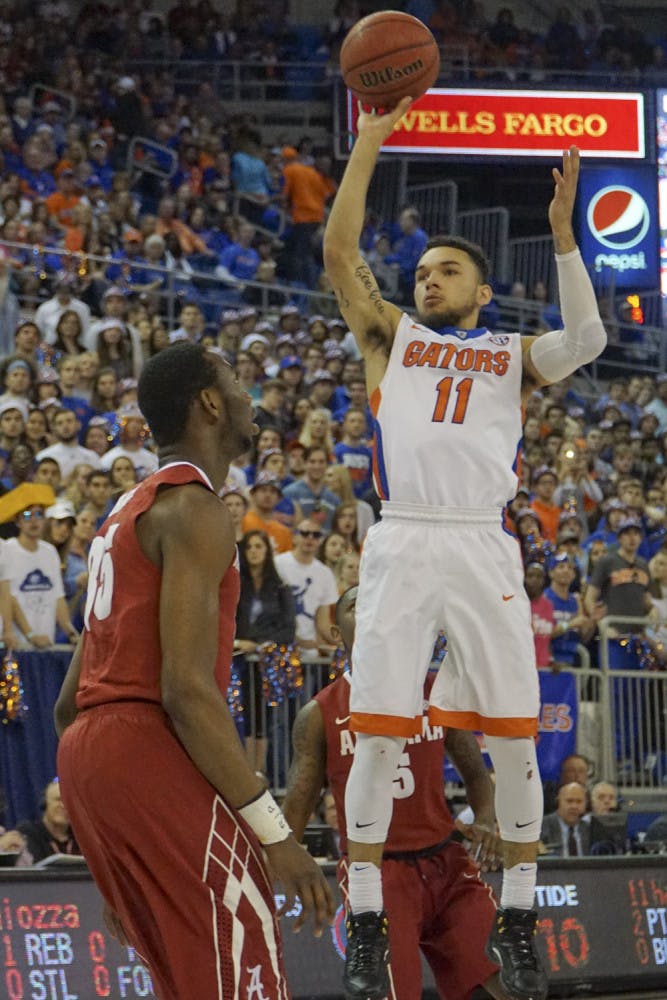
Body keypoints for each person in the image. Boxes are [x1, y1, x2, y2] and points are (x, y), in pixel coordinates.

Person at [323, 92, 607, 1000]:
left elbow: (591, 337)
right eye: (422, 272)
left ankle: (518, 922)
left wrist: (563, 237)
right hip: (403, 539)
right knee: (373, 742)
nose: (427, 280)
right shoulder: (389, 338)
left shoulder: (512, 355)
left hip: (483, 546)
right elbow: (338, 253)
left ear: (482, 292)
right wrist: (369, 138)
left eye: (446, 271)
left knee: (516, 746)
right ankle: (365, 923)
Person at [53, 343, 333, 998]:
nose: (247, 396)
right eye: (236, 381)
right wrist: (276, 832)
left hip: (90, 754)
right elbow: (184, 689)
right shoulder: (195, 509)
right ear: (209, 401)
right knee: (245, 942)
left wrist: (119, 859)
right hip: (145, 741)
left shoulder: (123, 515)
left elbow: (69, 704)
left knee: (189, 976)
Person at [283, 586, 509, 1000]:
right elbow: (296, 806)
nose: (370, 608)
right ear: (337, 634)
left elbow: (477, 776)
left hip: (448, 862)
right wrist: (285, 870)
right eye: (355, 604)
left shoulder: (435, 691)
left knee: (506, 985)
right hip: (380, 874)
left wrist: (487, 822)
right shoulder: (320, 713)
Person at [235, 529, 296, 776]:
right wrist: (240, 642)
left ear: (267, 551)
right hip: (240, 661)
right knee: (246, 719)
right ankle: (246, 775)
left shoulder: (281, 587)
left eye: (259, 546)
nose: (253, 551)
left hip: (269, 663)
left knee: (265, 721)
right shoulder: (237, 585)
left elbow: (288, 629)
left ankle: (259, 774)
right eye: (249, 547)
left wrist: (259, 644)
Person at [17, 779, 80, 863]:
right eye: (58, 800)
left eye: (69, 802)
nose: (64, 806)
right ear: (44, 803)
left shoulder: (80, 837)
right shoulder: (28, 832)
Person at [540, 782, 590, 857]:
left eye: (579, 801)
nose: (574, 806)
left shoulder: (591, 829)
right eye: (569, 801)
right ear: (558, 802)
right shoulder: (542, 827)